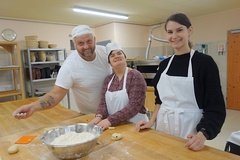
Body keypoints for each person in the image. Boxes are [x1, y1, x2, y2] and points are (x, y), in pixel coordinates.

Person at [136, 12, 226, 151]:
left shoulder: (204, 63)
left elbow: (215, 107)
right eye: (170, 32)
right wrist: (151, 121)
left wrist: (202, 135)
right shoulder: (164, 64)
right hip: (163, 127)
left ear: (189, 31)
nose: (174, 36)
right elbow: (160, 100)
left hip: (190, 131)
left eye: (179, 30)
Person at [13, 25, 112, 118]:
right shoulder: (70, 66)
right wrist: (32, 107)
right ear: (75, 44)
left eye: (89, 41)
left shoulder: (104, 52)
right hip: (91, 116)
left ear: (94, 40)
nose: (86, 46)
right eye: (81, 43)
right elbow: (56, 94)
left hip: (115, 111)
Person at [89, 42, 149, 130]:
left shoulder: (135, 76)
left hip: (136, 126)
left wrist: (109, 120)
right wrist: (99, 116)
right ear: (109, 63)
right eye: (112, 55)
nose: (116, 56)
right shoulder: (108, 80)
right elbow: (103, 104)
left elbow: (134, 106)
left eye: (119, 53)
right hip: (116, 126)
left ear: (125, 57)